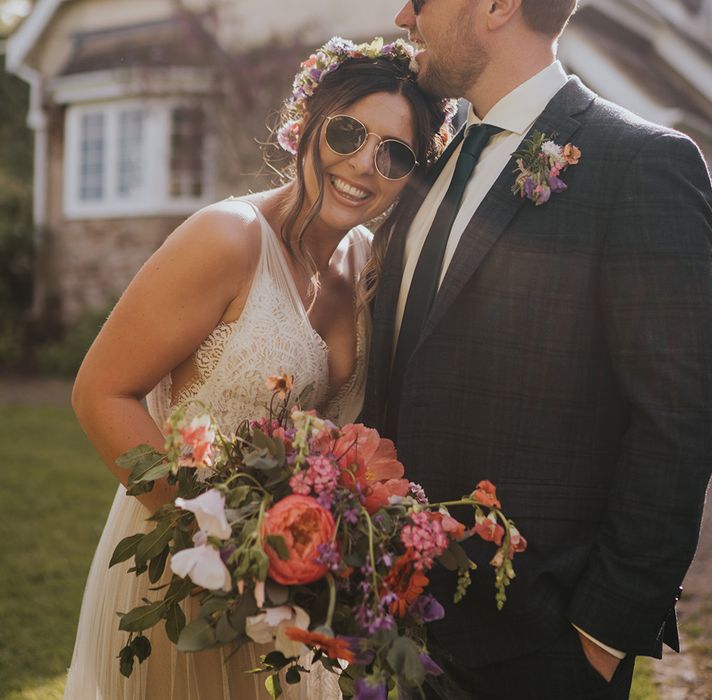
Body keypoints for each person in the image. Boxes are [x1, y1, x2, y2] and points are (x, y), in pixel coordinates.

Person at [63, 36, 453, 700]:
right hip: (186, 571)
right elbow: (101, 392)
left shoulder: (365, 264)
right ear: (307, 124)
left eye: (393, 154)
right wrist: (224, 555)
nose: (363, 164)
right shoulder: (226, 238)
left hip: (295, 593)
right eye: (348, 132)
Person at [361, 1, 712, 698]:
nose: (403, 14)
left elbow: (678, 419)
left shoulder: (641, 164)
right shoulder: (426, 164)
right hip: (393, 630)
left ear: (497, 6)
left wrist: (601, 639)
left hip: (539, 647)